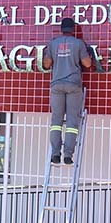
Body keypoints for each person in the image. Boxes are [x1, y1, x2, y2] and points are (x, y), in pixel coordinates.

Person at [42, 17, 92, 165]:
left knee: (56, 121)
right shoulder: (78, 43)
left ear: (61, 29)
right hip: (73, 85)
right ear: (73, 29)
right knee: (72, 121)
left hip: (57, 85)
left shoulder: (53, 43)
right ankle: (68, 155)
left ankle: (55, 154)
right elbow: (87, 64)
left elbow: (46, 64)